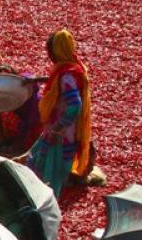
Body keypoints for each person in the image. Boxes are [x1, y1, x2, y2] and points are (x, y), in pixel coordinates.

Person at [26, 29, 93, 197]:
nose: (50, 56)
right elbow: (60, 86)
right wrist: (38, 79)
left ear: (57, 51)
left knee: (48, 167)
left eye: (50, 52)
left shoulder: (66, 76)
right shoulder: (74, 67)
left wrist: (58, 127)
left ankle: (48, 199)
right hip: (66, 130)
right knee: (49, 163)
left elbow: (74, 105)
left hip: (61, 132)